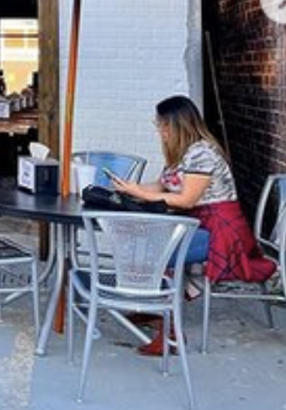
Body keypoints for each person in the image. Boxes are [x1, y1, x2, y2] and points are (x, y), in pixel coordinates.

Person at [112, 94, 276, 355]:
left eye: (162, 125)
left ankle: (171, 333)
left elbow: (186, 199)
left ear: (176, 124)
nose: (160, 131)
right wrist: (129, 189)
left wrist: (141, 194)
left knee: (161, 251)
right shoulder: (183, 154)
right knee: (154, 243)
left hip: (220, 230)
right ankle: (155, 310)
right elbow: (161, 187)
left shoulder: (202, 153)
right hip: (199, 224)